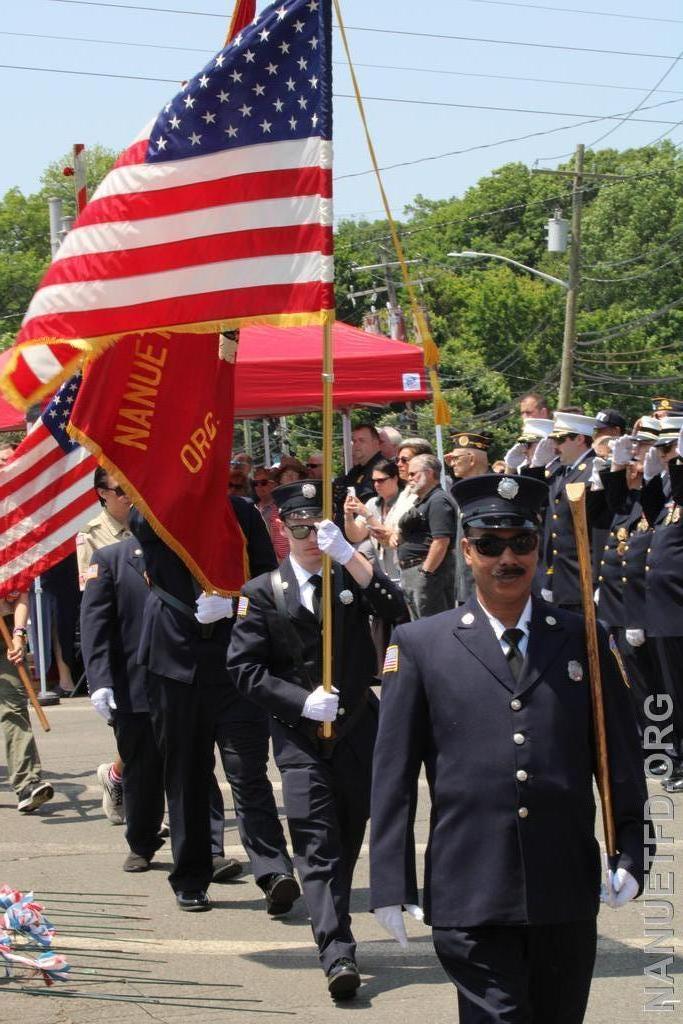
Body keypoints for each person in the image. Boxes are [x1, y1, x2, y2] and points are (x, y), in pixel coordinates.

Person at [370, 473, 648, 1024]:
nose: (507, 558)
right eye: (490, 545)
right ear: (466, 551)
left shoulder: (583, 638)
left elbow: (617, 759)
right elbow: (393, 775)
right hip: (469, 886)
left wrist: (631, 849)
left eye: (520, 543)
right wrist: (389, 882)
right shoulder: (422, 645)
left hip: (563, 884)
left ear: (538, 547)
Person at [228, 480, 407, 1001]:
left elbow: (396, 608)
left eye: (319, 527)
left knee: (347, 836)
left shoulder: (346, 576)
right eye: (300, 528)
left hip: (355, 730)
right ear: (282, 528)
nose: (310, 538)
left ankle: (334, 916)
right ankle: (337, 951)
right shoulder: (262, 592)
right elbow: (244, 669)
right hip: (299, 737)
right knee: (315, 842)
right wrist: (300, 701)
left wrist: (349, 553)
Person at [131, 496, 298, 913]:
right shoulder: (154, 509)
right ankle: (191, 875)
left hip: (235, 663)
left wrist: (234, 604)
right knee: (186, 773)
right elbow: (140, 520)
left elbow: (266, 579)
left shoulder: (240, 513)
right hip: (175, 664)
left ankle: (273, 869)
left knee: (249, 773)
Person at [80, 537, 166, 872]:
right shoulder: (110, 558)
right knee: (142, 770)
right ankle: (142, 842)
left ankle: (209, 847)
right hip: (133, 683)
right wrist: (99, 681)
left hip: (185, 680)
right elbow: (94, 625)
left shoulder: (185, 551)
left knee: (192, 768)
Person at [76, 468, 133, 824]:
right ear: (102, 494)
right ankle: (121, 781)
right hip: (119, 641)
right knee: (133, 731)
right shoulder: (92, 535)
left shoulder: (154, 521)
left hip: (157, 636)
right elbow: (94, 600)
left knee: (161, 729)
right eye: (121, 489)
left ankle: (120, 777)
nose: (129, 494)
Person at [525, 411, 606, 612]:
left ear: (580, 439)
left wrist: (597, 579)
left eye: (560, 439)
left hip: (583, 576)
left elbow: (598, 525)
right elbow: (537, 505)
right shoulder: (560, 472)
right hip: (560, 577)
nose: (555, 446)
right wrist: (535, 467)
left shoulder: (593, 470)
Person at [0, 590, 54, 813]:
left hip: (5, 632)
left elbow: (21, 594)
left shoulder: (8, 557)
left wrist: (18, 634)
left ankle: (27, 784)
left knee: (14, 707)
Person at [397, 454, 456, 619]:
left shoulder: (438, 501)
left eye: (413, 474)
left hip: (428, 575)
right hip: (414, 573)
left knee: (434, 628)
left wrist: (425, 574)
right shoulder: (424, 501)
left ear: (429, 473)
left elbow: (441, 541)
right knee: (421, 629)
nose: (409, 479)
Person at [342, 459, 403, 583]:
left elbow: (391, 538)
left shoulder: (406, 502)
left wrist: (367, 515)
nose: (376, 485)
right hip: (386, 577)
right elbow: (355, 536)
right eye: (373, 481)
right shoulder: (372, 504)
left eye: (381, 480)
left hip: (405, 574)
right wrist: (348, 515)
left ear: (395, 479)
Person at [253, 466, 289, 561]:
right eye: (255, 483)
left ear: (273, 484)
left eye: (263, 483)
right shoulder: (252, 508)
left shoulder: (282, 509)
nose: (259, 487)